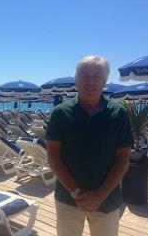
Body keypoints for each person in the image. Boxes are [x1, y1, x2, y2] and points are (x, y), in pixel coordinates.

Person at [46, 56, 133, 236]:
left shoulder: (119, 113)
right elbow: (53, 156)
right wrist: (76, 192)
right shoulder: (60, 113)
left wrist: (100, 195)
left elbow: (123, 158)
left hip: (107, 200)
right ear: (76, 79)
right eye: (85, 76)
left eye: (96, 77)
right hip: (68, 199)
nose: (90, 82)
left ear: (105, 81)